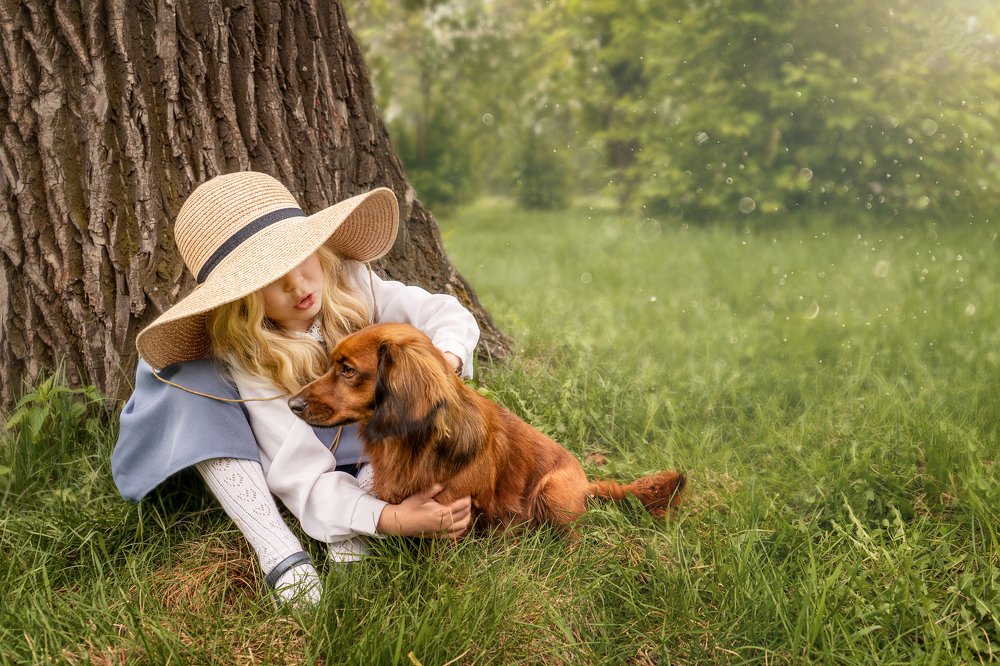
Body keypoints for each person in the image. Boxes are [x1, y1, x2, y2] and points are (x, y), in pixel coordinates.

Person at [112, 171, 478, 604]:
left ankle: (356, 504)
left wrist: (444, 363)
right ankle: (279, 550)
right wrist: (392, 519)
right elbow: (296, 471)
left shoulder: (353, 285)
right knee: (194, 382)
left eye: (299, 258)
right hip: (261, 435)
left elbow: (445, 315)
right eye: (269, 278)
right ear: (241, 298)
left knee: (371, 419)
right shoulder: (246, 355)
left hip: (349, 435)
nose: (298, 285)